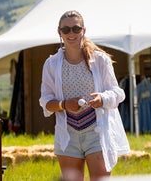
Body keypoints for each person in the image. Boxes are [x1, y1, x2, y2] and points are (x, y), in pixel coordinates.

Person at [39, 10, 130, 180]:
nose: (71, 33)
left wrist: (102, 99)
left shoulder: (100, 60)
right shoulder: (51, 64)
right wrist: (64, 105)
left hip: (97, 131)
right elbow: (45, 101)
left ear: (83, 30)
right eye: (66, 30)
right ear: (59, 32)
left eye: (76, 28)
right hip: (67, 134)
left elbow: (118, 93)